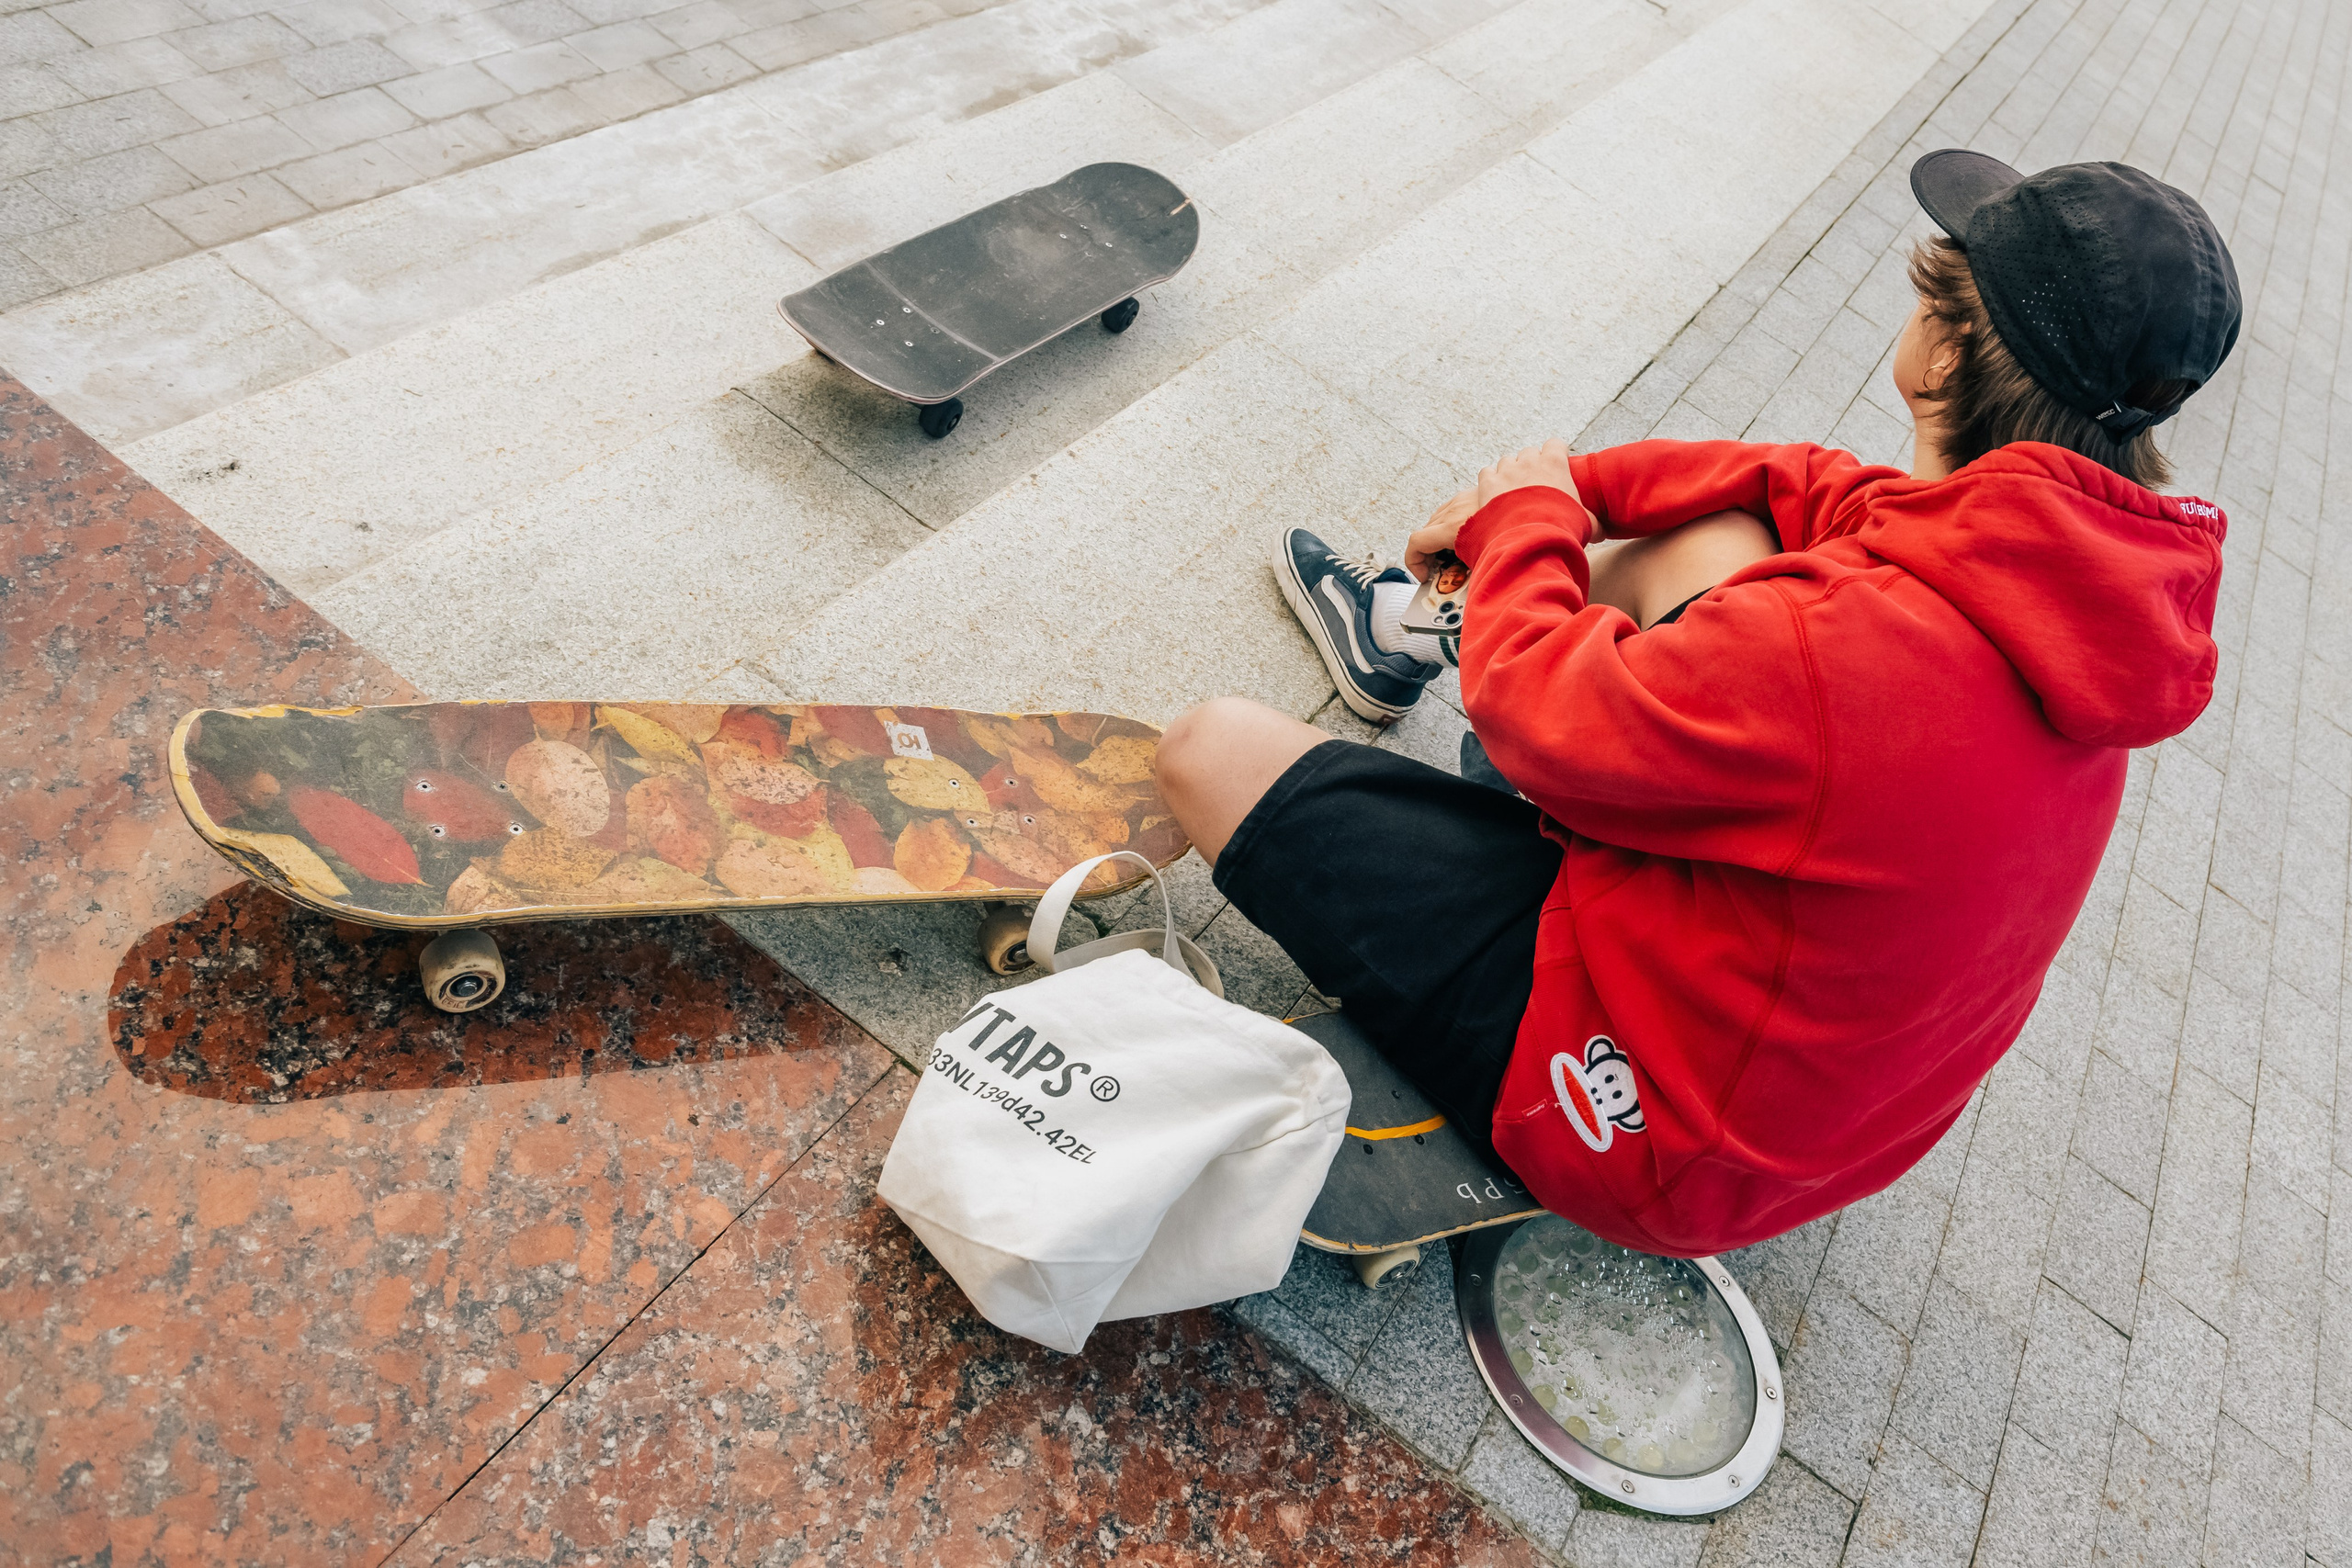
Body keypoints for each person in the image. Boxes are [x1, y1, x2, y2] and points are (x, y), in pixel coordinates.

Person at [1154, 151, 2243, 1257]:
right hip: (1803, 1114)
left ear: (1945, 352)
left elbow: (1532, 714)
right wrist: (1565, 494)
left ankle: (1446, 637)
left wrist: (1525, 523)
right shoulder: (2059, 588)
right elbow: (1797, 480)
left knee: (1210, 750)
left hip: (1643, 1134)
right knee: (1723, 535)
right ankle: (1423, 631)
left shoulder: (1844, 645)